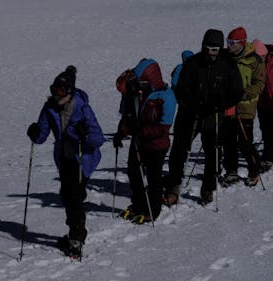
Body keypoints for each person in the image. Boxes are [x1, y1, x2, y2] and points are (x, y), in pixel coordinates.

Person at [26, 66, 105, 258]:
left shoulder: (82, 108)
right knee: (67, 196)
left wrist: (83, 134)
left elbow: (98, 138)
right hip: (63, 157)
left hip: (82, 159)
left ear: (69, 91)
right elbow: (42, 134)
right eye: (54, 90)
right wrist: (35, 133)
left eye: (60, 91)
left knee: (74, 197)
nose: (56, 94)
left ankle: (77, 237)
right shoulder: (50, 107)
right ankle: (74, 233)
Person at [163, 29, 243, 206]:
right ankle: (173, 187)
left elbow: (237, 91)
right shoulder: (192, 63)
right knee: (178, 150)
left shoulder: (228, 65)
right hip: (190, 114)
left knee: (212, 152)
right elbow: (181, 88)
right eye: (206, 48)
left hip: (213, 115)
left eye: (214, 49)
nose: (210, 53)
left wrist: (221, 102)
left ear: (220, 48)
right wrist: (192, 101)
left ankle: (208, 188)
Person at [113, 58, 176, 224]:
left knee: (153, 177)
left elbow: (164, 127)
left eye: (142, 82)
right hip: (139, 140)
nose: (140, 86)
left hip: (157, 144)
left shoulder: (166, 96)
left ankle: (153, 209)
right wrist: (121, 133)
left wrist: (141, 131)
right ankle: (138, 205)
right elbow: (128, 115)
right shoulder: (136, 94)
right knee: (134, 174)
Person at [221, 27, 265, 187]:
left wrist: (243, 94)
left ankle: (254, 169)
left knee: (245, 141)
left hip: (245, 107)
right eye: (228, 42)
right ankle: (231, 172)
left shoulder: (254, 60)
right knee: (229, 141)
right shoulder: (225, 58)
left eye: (232, 43)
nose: (229, 46)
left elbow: (259, 84)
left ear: (241, 43)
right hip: (227, 106)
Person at [254, 39, 273, 172]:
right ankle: (268, 156)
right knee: (266, 130)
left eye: (260, 57)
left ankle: (268, 156)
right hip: (263, 103)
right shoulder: (255, 62)